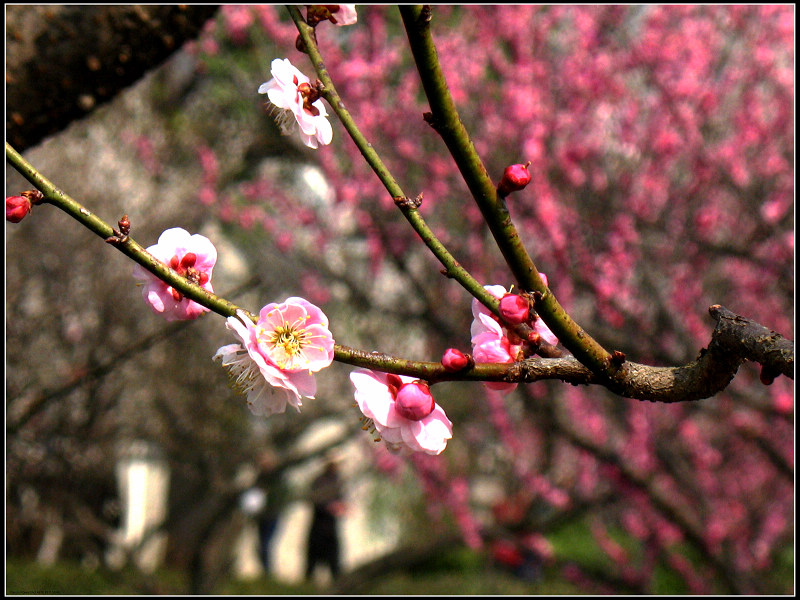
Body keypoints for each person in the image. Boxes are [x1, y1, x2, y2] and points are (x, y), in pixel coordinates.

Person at [305, 459, 345, 581]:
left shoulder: (337, 482)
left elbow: (341, 501)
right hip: (319, 526)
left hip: (330, 527)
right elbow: (315, 501)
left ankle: (338, 584)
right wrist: (330, 507)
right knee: (312, 560)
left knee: (334, 561)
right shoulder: (319, 481)